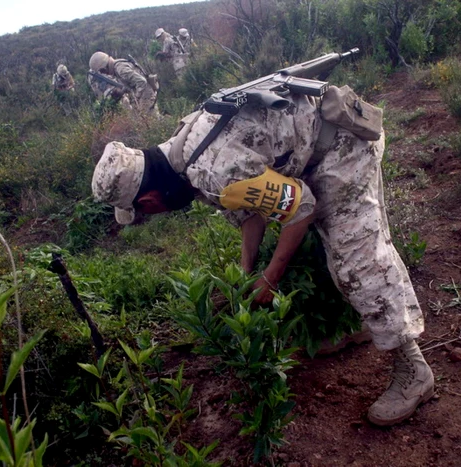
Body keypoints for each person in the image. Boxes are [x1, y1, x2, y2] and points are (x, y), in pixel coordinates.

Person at [91, 87, 435, 427]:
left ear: (149, 199)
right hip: (315, 150)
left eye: (146, 211)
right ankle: (358, 323)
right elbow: (251, 212)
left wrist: (270, 278)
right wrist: (246, 273)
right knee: (327, 243)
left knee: (356, 259)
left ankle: (413, 370)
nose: (154, 213)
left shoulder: (213, 171)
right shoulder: (183, 152)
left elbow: (300, 210)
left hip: (343, 146)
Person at [88, 51, 158, 112]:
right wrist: (122, 92)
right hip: (144, 92)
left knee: (148, 121)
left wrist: (137, 97)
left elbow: (142, 81)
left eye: (102, 71)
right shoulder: (118, 66)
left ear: (105, 67)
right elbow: (130, 83)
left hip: (145, 93)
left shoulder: (120, 69)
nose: (105, 73)